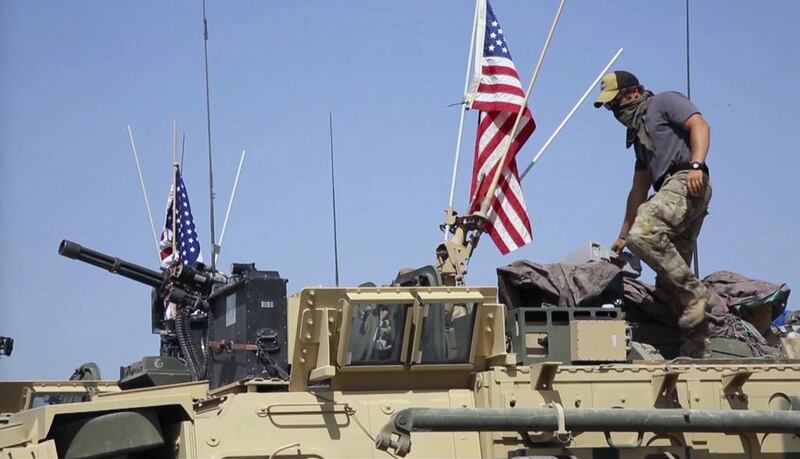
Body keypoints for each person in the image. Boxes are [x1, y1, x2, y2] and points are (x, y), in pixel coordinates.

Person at [594, 70, 712, 358]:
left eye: (616, 102)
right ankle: (696, 350)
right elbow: (638, 189)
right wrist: (622, 236)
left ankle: (695, 293)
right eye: (609, 106)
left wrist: (697, 165)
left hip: (685, 180)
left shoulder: (663, 102)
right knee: (667, 288)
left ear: (633, 92)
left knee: (644, 232)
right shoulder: (640, 138)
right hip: (668, 191)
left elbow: (700, 125)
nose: (615, 110)